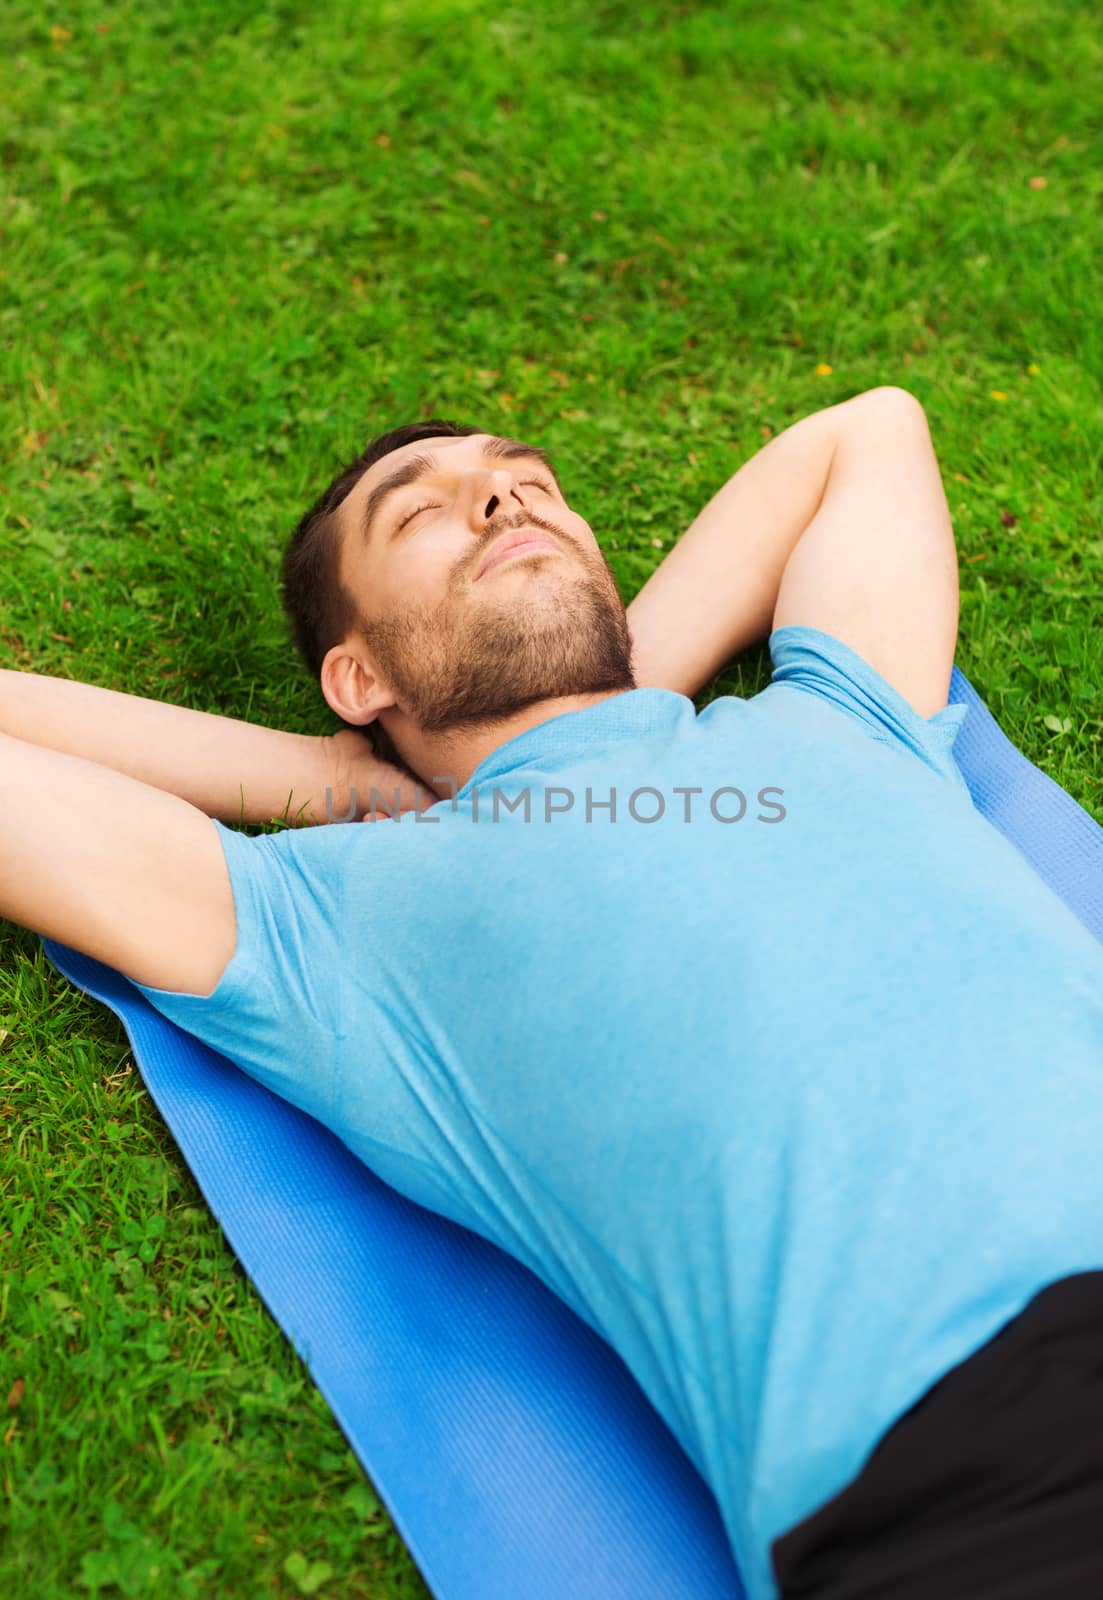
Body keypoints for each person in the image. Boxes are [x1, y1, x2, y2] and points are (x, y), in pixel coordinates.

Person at [3, 386, 1102, 1600]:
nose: (503, 495)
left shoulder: (844, 717)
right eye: (421, 512)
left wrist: (602, 697)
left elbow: (870, 428)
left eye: (527, 483)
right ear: (355, 672)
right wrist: (332, 779)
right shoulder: (335, 919)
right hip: (969, 1470)